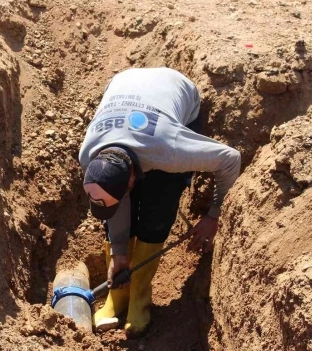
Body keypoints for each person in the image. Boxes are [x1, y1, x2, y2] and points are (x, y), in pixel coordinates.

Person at [79, 67, 241, 336]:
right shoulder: (90, 154)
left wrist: (214, 214)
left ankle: (139, 300)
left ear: (133, 179)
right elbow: (116, 204)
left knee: (158, 210)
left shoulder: (171, 151)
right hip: (125, 83)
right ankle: (117, 298)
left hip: (173, 95)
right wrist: (119, 253)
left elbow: (230, 159)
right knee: (118, 217)